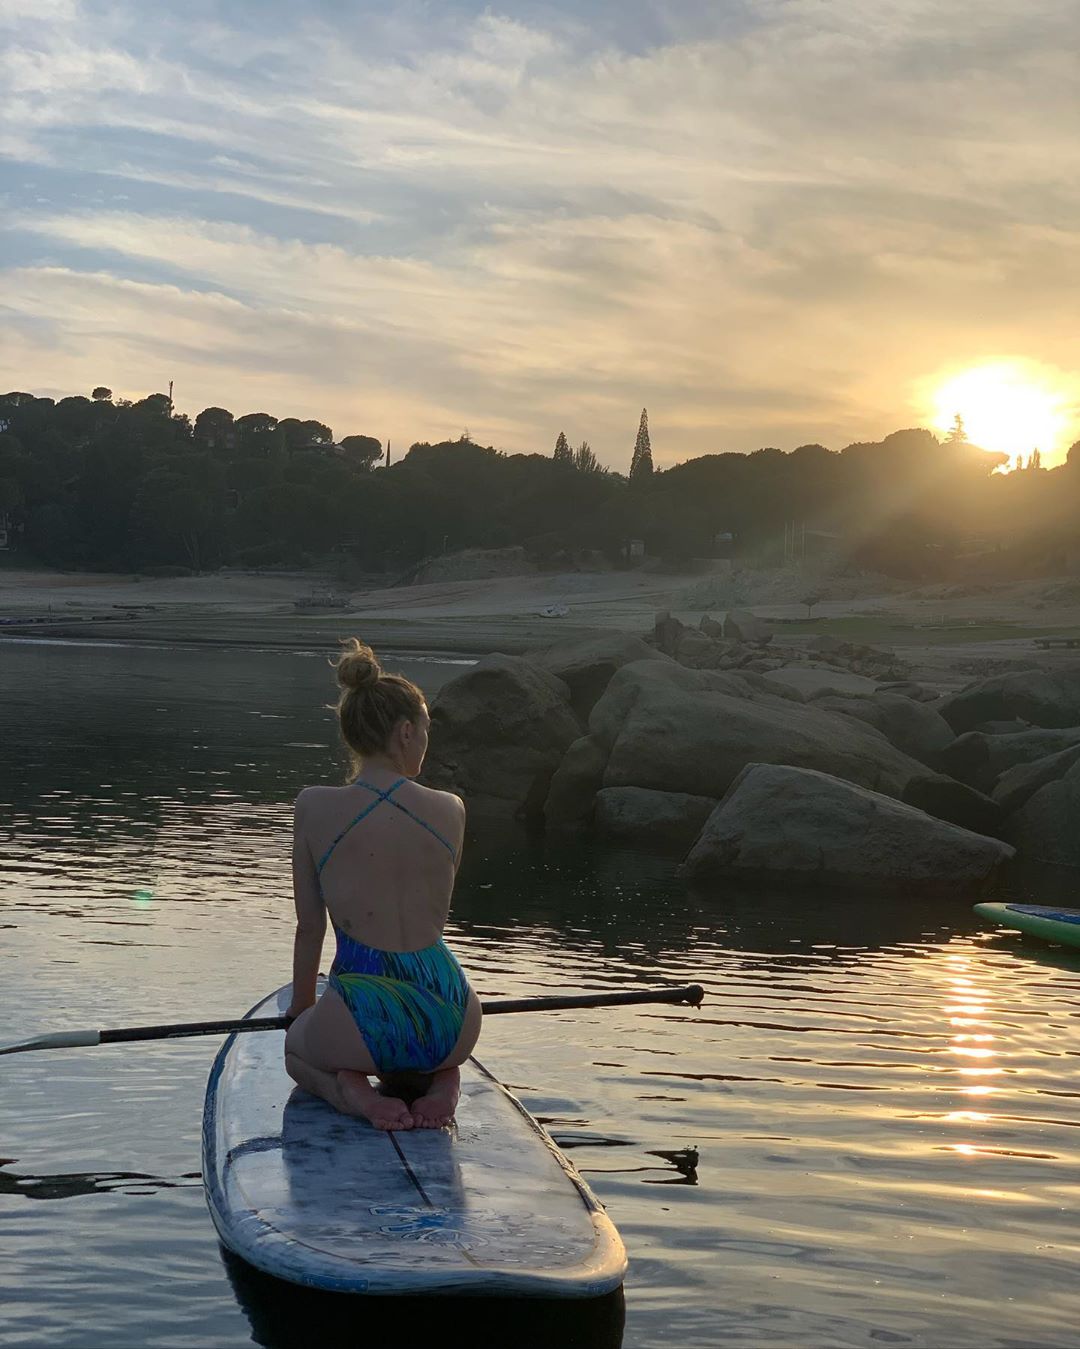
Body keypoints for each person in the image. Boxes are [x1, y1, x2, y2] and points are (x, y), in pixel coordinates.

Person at [283, 639, 481, 1130]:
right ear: (406, 732)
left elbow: (310, 928)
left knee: (295, 1053)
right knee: (415, 1047)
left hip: (361, 1013)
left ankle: (356, 1095)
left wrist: (303, 1013)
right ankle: (443, 1079)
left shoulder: (312, 805)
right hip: (454, 1016)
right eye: (427, 732)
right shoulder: (452, 809)